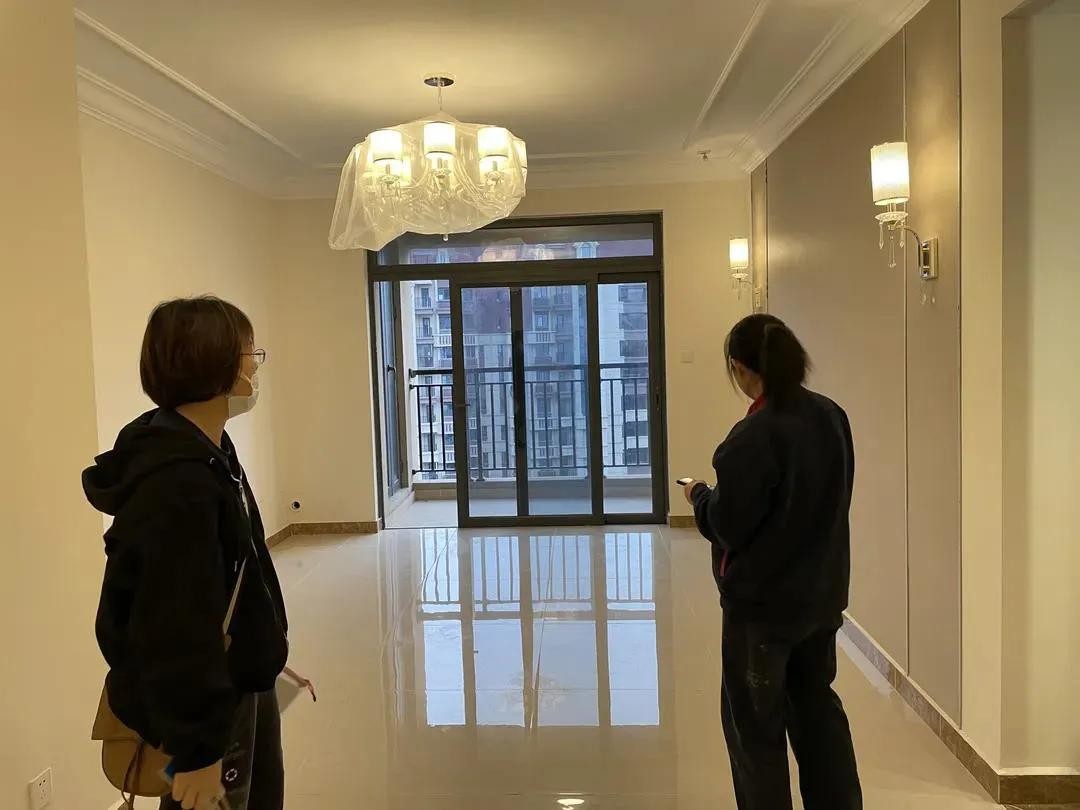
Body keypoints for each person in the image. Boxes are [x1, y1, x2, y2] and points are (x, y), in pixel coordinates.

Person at [84, 297, 290, 810]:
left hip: (237, 679)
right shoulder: (177, 483)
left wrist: (263, 643)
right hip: (207, 707)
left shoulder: (212, 452)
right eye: (249, 353)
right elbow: (172, 626)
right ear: (215, 364)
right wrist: (199, 750)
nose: (255, 366)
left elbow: (235, 574)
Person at [682, 313, 861, 810]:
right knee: (818, 714)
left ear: (742, 369)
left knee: (755, 730)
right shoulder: (831, 415)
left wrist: (700, 496)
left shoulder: (752, 437)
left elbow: (727, 524)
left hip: (763, 611)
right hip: (821, 598)